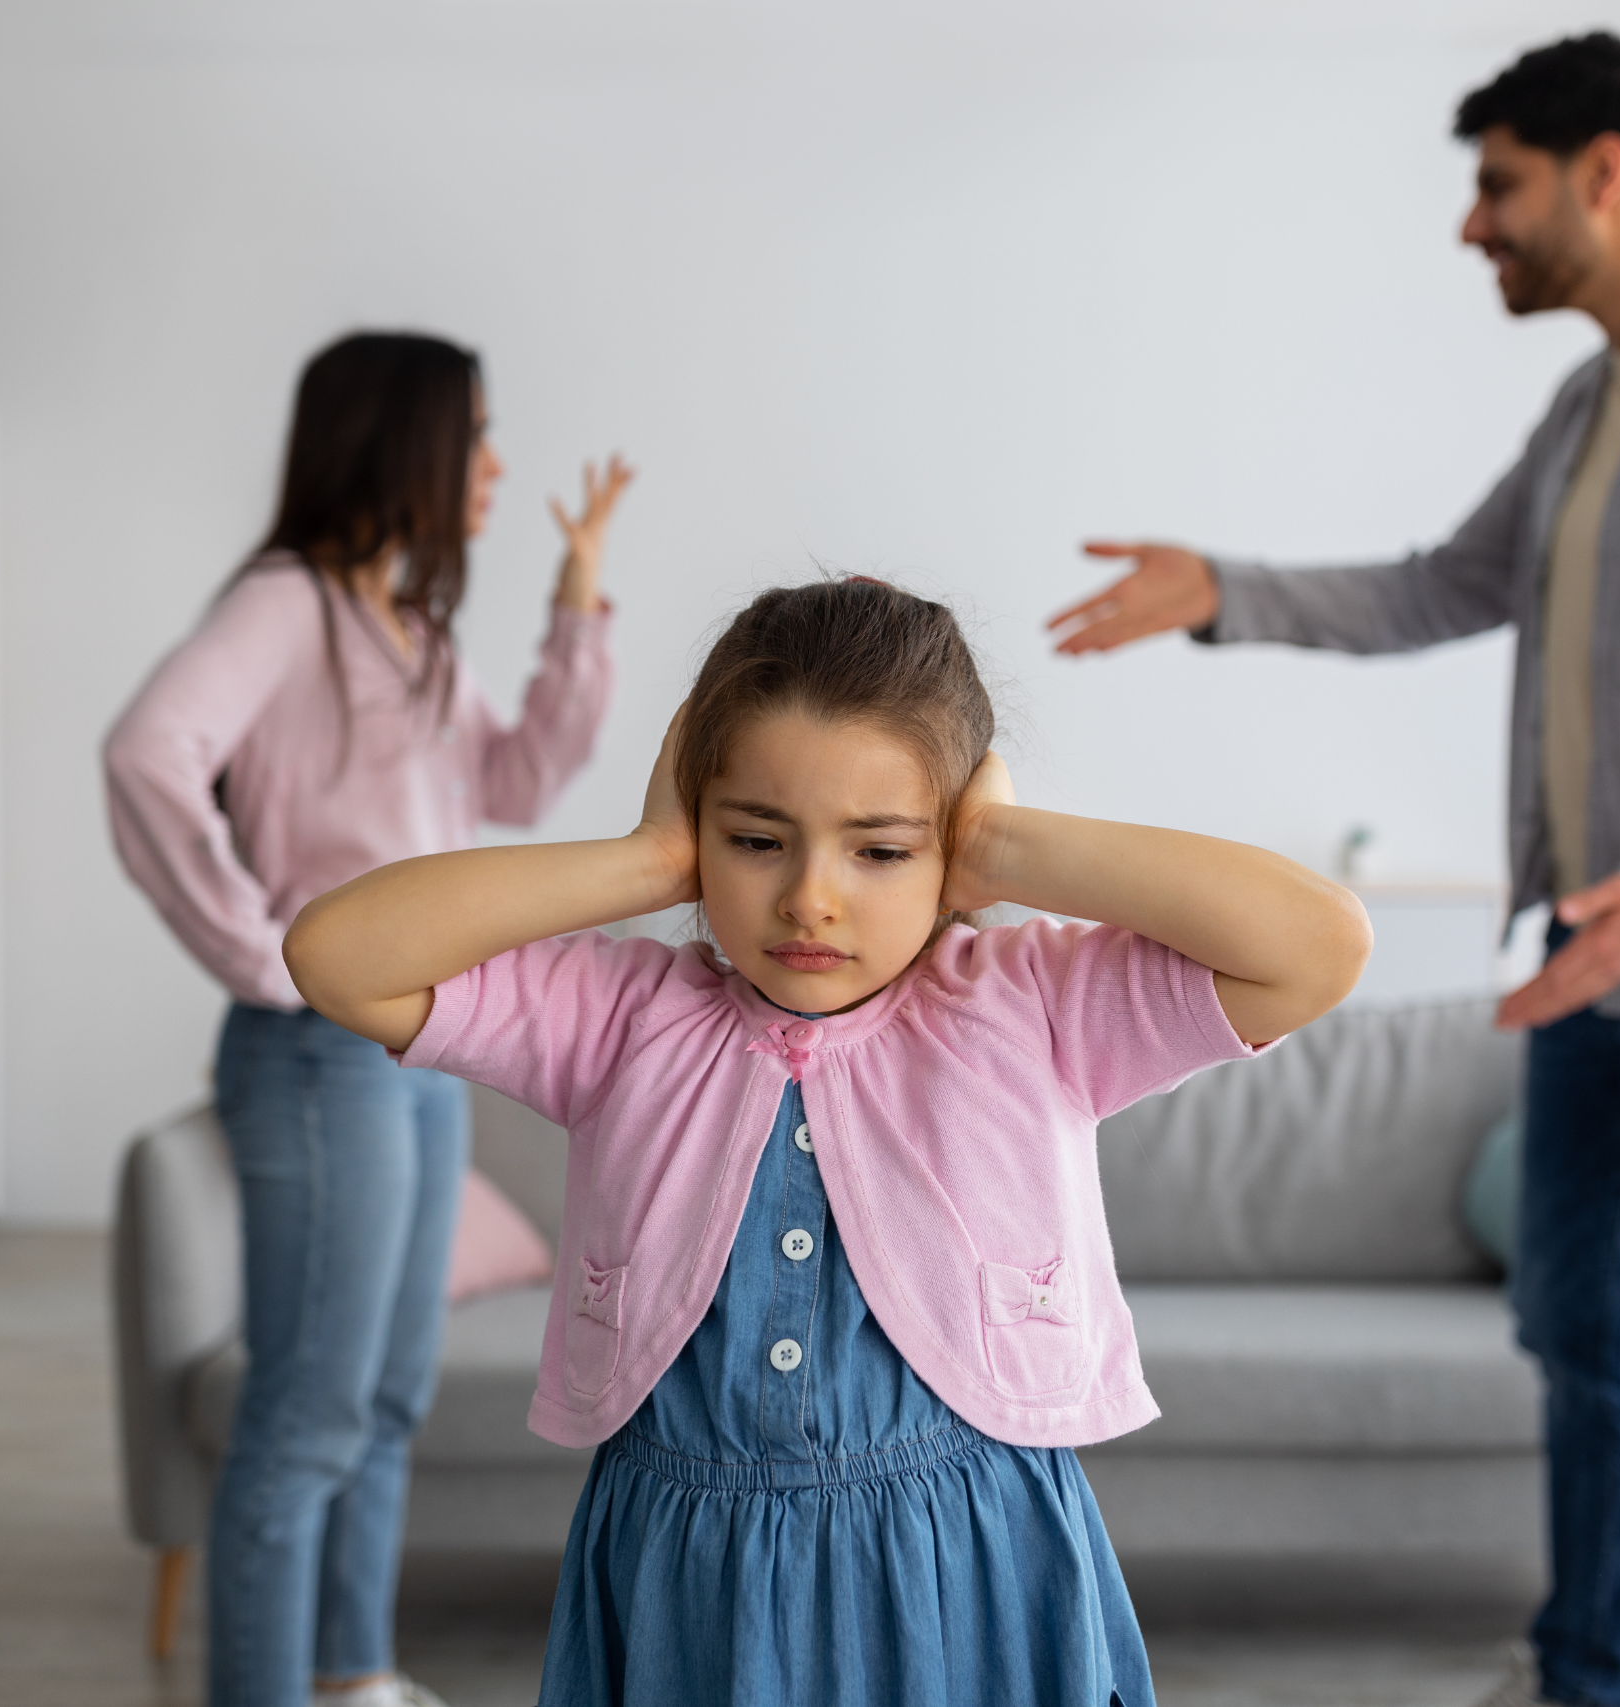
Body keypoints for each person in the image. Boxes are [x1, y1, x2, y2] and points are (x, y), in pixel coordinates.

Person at [1046, 32, 1620, 1707]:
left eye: (1500, 185)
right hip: (1582, 976)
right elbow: (1442, 586)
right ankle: (1586, 1673)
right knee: (1584, 1347)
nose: (1476, 227)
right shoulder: (1597, 397)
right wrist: (1224, 590)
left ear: (1606, 172)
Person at [282, 577, 1373, 1706]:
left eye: (881, 852)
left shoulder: (1031, 1008)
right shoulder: (618, 1022)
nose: (811, 898)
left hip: (970, 1570)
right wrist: (648, 859)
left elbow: (1318, 945)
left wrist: (1002, 844)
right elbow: (337, 956)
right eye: (756, 839)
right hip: (684, 1580)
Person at [104, 330, 632, 1707]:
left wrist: (579, 607)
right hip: (318, 1053)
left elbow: (514, 781)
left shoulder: (411, 627)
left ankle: (352, 1675)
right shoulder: (283, 604)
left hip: (417, 1048)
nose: (498, 466)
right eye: (478, 436)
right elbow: (146, 753)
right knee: (308, 1407)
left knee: (384, 1395)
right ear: (400, 443)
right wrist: (264, 953)